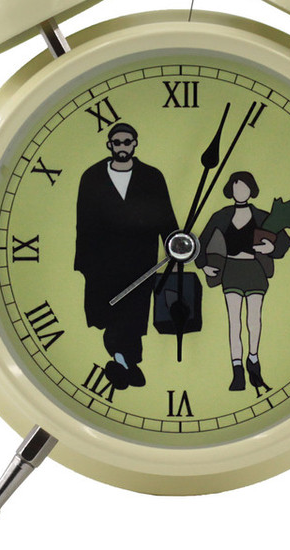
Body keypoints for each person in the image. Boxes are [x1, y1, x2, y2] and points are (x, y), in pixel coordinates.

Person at [74, 123, 177, 390]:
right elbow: (83, 222)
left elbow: (165, 214)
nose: (122, 147)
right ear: (109, 144)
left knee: (134, 311)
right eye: (117, 142)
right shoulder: (92, 176)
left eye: (127, 142)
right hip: (103, 261)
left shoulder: (152, 177)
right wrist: (84, 263)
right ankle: (126, 362)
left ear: (135, 143)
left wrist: (175, 244)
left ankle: (124, 361)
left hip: (140, 259)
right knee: (109, 311)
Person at [195, 171, 290, 392]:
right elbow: (202, 241)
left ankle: (253, 360)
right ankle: (237, 368)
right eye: (236, 187)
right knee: (234, 321)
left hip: (254, 269)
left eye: (245, 187)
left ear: (251, 190)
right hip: (232, 270)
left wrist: (271, 247)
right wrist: (203, 265)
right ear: (230, 190)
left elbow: (284, 241)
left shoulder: (261, 216)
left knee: (254, 319)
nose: (240, 191)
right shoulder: (222, 216)